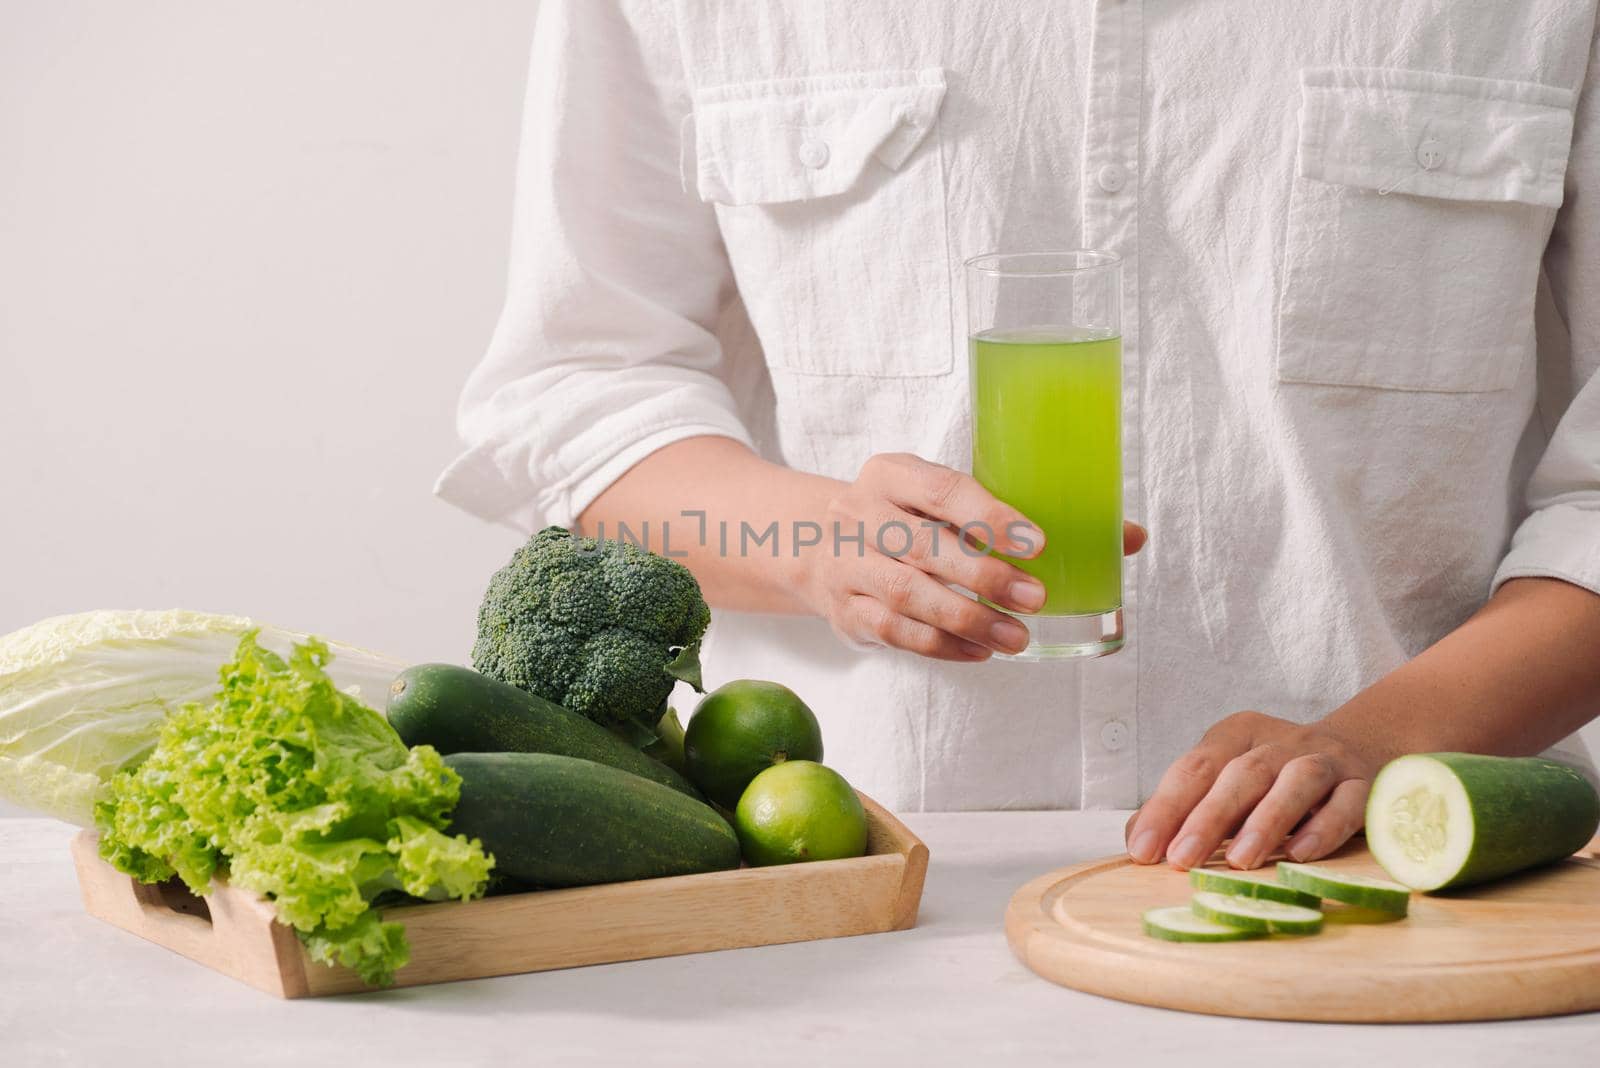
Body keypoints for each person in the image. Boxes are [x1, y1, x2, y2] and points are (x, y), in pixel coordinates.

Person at [438, 1, 1600, 871]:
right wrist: (812, 540)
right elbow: (579, 385)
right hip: (850, 885)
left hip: (1401, 890)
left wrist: (1383, 735)